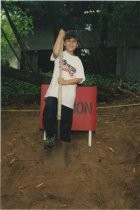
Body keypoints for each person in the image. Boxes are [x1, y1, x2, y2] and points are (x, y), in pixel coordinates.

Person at [43, 29, 85, 149]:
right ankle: (51, 136)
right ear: (64, 43)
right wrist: (60, 35)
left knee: (66, 122)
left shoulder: (77, 61)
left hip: (68, 95)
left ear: (77, 44)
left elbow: (80, 78)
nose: (71, 44)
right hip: (54, 91)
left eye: (74, 42)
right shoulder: (60, 55)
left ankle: (64, 144)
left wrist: (66, 82)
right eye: (68, 41)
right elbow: (55, 51)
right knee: (49, 113)